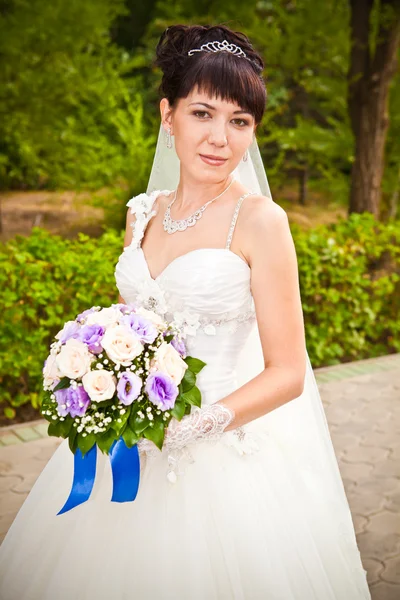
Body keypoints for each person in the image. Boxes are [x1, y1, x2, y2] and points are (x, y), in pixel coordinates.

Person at [0, 24, 371, 599]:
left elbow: (288, 373)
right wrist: (100, 381)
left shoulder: (261, 222)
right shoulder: (141, 215)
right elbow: (133, 327)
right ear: (167, 115)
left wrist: (189, 427)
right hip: (128, 443)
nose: (220, 137)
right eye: (203, 113)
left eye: (239, 121)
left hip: (220, 451)